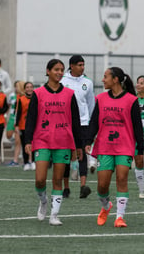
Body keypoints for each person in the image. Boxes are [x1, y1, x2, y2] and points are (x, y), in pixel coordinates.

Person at [25, 59, 82, 226]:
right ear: (48, 71)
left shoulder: (70, 94)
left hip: (63, 141)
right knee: (40, 179)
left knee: (58, 180)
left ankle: (54, 215)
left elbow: (75, 121)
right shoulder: (38, 93)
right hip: (42, 140)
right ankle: (43, 201)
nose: (59, 72)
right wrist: (28, 140)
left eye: (61, 70)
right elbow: (31, 119)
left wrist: (78, 145)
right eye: (56, 69)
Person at [85, 67, 144, 228]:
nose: (103, 80)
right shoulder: (101, 98)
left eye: (106, 77)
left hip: (125, 146)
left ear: (115, 79)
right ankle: (106, 207)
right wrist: (88, 140)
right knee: (102, 185)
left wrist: (140, 149)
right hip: (104, 146)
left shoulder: (131, 100)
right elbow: (94, 121)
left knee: (121, 179)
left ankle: (120, 217)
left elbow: (138, 126)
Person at [60, 55, 95, 199]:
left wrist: (90, 122)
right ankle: (66, 187)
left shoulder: (87, 82)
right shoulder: (62, 81)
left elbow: (91, 103)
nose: (82, 68)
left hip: (83, 123)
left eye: (83, 65)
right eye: (79, 65)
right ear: (72, 66)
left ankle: (83, 186)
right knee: (67, 155)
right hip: (66, 123)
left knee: (82, 154)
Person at [15, 82, 35, 170]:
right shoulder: (21, 99)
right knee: (24, 144)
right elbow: (18, 113)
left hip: (34, 125)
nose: (29, 89)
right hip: (23, 125)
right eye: (27, 87)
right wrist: (16, 125)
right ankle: (26, 162)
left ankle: (33, 161)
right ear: (25, 89)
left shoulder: (36, 98)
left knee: (34, 144)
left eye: (31, 87)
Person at [6, 80, 25, 167]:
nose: (15, 88)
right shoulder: (12, 96)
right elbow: (9, 106)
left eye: (17, 86)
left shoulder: (23, 96)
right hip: (12, 117)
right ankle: (16, 147)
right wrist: (6, 116)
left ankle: (16, 159)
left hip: (20, 119)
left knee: (18, 140)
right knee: (9, 135)